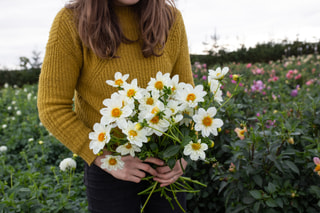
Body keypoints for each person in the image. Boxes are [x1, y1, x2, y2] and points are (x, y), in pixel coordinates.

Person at [37, 0, 194, 212]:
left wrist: (182, 154)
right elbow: (52, 106)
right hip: (108, 167)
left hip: (167, 164)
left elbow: (187, 98)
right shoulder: (71, 21)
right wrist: (106, 159)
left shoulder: (170, 19)